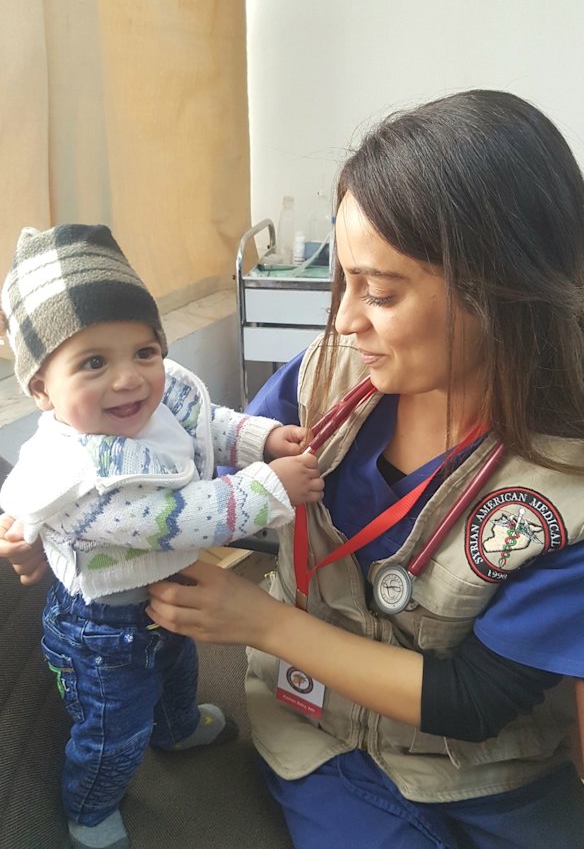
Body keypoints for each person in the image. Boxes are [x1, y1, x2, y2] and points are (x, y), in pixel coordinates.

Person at [144, 91, 584, 848]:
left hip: (488, 765)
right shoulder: (332, 373)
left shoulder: (564, 489)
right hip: (318, 729)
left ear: (499, 290)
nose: (346, 319)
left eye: (379, 292)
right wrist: (64, 511)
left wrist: (256, 620)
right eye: (342, 280)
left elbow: (476, 698)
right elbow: (198, 461)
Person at [0, 223, 323, 849]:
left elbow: (203, 422)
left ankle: (176, 728)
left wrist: (257, 437)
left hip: (167, 592)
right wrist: (270, 486)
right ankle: (90, 806)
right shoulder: (81, 477)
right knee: (111, 728)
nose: (130, 380)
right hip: (101, 630)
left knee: (180, 668)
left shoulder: (158, 387)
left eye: (143, 351)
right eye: (93, 362)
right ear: (41, 388)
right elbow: (178, 516)